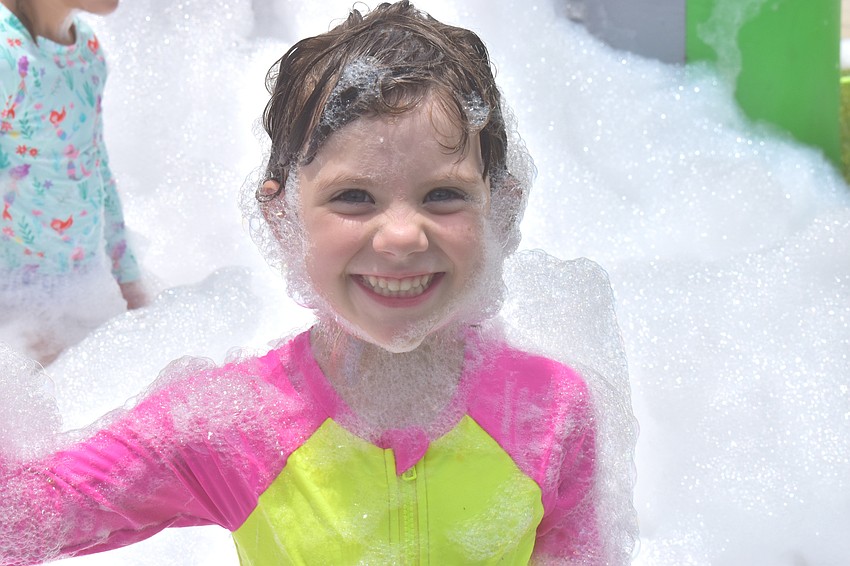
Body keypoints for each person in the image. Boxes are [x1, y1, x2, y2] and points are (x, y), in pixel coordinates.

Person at [0, 2, 636, 564]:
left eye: (443, 195)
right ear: (282, 217)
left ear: (501, 207)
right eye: (354, 197)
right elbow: (30, 516)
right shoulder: (236, 426)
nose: (400, 236)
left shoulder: (552, 413)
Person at [0, 0, 146, 366]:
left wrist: (126, 274)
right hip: (17, 302)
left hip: (80, 287)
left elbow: (95, 164)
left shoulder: (87, 49)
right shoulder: (6, 54)